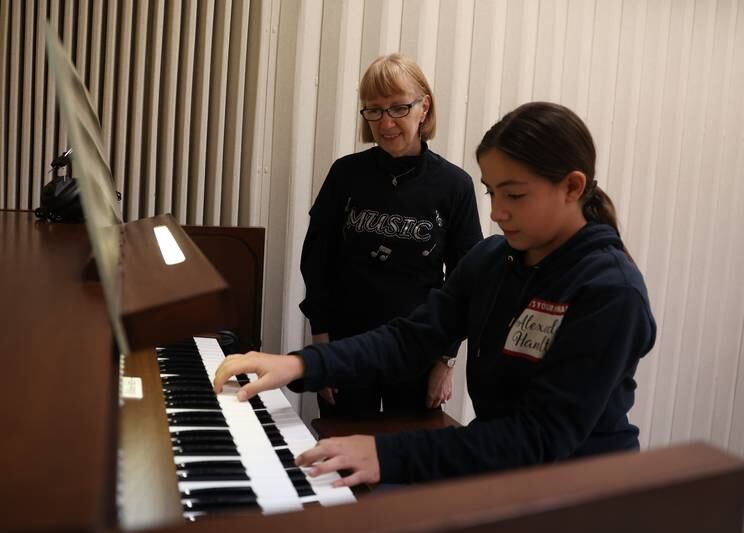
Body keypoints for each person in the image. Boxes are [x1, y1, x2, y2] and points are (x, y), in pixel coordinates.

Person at [214, 101, 657, 487]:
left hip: (583, 495)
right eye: (491, 191)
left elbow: (538, 439)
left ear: (572, 187)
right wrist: (299, 364)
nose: (497, 212)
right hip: (506, 475)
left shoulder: (609, 291)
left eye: (515, 195)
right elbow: (410, 339)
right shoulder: (492, 260)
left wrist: (388, 456)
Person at [299, 53, 482, 416]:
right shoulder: (345, 175)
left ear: (423, 107)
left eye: (398, 108)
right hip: (347, 348)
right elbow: (317, 263)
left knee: (410, 462)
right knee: (344, 460)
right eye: (374, 110)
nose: (385, 123)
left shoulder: (454, 186)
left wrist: (445, 361)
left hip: (418, 351)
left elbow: (467, 281)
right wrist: (322, 349)